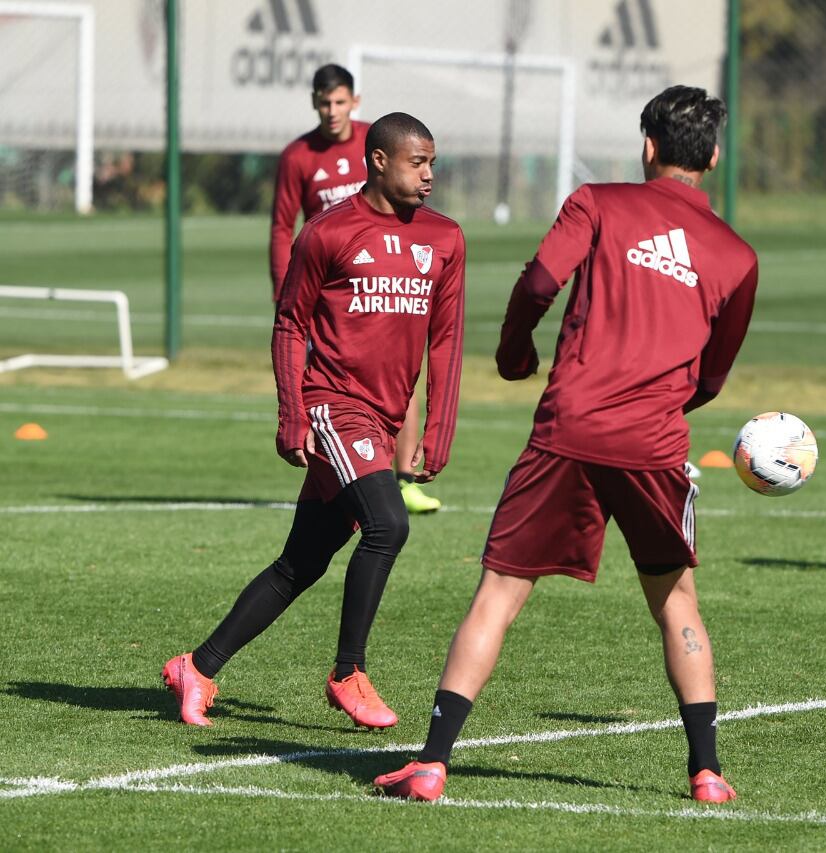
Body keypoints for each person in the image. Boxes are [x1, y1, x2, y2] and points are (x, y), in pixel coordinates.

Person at [374, 85, 758, 803]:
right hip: (653, 442)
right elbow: (712, 375)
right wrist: (664, 405)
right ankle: (706, 771)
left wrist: (514, 349)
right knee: (677, 599)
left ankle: (431, 761)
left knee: (498, 593)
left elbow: (540, 281)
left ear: (647, 147)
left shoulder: (599, 203)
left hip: (570, 429)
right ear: (711, 155)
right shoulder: (737, 255)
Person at [163, 112, 466, 728]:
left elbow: (448, 340)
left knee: (301, 563)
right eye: (418, 162)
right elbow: (291, 323)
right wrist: (292, 414)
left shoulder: (445, 238)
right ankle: (349, 672)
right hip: (334, 404)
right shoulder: (327, 232)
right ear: (379, 161)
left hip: (382, 419)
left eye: (433, 162)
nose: (430, 175)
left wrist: (438, 429)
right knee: (389, 525)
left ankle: (197, 666)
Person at [271, 63, 442, 515]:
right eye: (324, 102)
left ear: (355, 101)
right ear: (314, 102)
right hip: (328, 287)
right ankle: (351, 474)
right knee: (335, 385)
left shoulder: (383, 142)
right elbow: (281, 227)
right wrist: (283, 295)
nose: (332, 111)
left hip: (384, 280)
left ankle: (399, 477)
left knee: (400, 373)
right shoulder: (299, 156)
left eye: (340, 101)